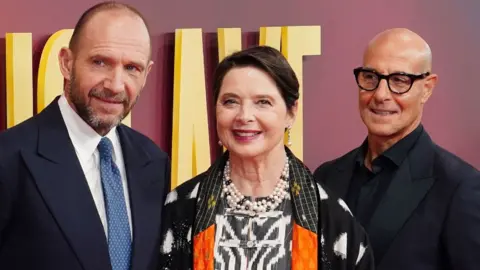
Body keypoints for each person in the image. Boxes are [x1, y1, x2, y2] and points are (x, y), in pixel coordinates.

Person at [157, 45, 374, 270]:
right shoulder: (180, 208)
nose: (244, 116)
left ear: (291, 112)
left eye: (263, 102)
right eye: (230, 101)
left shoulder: (331, 216)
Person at [0, 2, 170, 270]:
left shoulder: (154, 162)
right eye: (100, 62)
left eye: (131, 68)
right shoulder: (8, 157)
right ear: (67, 63)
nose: (115, 85)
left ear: (147, 74)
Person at [314, 28, 480, 270]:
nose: (381, 95)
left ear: (427, 88)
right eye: (370, 77)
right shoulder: (326, 178)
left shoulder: (460, 188)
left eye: (399, 81)